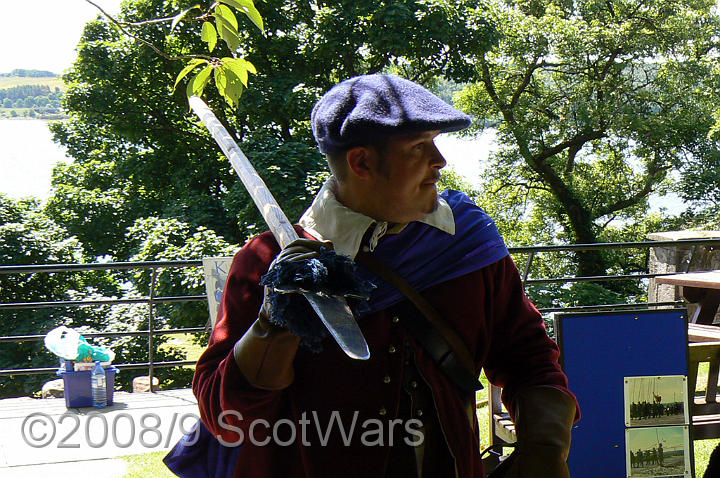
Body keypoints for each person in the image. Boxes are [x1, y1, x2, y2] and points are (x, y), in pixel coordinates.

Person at [193, 74, 579, 478]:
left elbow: (528, 356)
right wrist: (273, 327)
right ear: (362, 162)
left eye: (435, 142)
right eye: (419, 146)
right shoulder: (268, 264)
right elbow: (226, 418)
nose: (440, 161)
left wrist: (545, 449)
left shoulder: (468, 244)